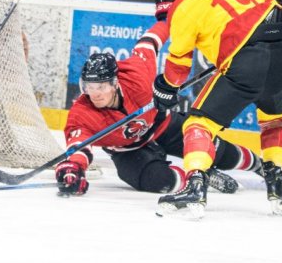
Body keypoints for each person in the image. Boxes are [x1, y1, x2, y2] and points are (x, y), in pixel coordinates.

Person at [151, 0, 282, 217]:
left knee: (198, 124)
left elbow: (178, 70)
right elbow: (273, 13)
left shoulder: (183, 7)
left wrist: (165, 87)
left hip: (249, 61)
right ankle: (278, 186)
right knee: (275, 120)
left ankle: (195, 186)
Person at [55, 18, 269, 199]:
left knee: (217, 150)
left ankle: (261, 166)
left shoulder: (136, 75)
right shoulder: (82, 113)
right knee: (158, 181)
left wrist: (170, 18)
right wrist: (73, 169)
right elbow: (79, 147)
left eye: (101, 86)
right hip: (128, 151)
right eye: (89, 87)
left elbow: (149, 43)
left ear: (115, 83)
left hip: (163, 125)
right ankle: (201, 177)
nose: (95, 94)